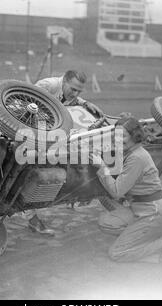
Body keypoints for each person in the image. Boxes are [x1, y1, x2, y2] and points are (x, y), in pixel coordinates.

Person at [89, 115, 162, 263]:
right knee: (108, 222)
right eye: (116, 136)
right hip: (148, 210)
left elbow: (116, 192)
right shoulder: (133, 153)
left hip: (153, 213)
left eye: (123, 136)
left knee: (117, 253)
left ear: (135, 136)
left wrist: (101, 167)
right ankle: (155, 236)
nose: (118, 140)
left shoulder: (136, 158)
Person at [25, 70, 103, 235]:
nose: (75, 93)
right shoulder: (48, 85)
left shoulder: (71, 93)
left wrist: (84, 102)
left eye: (79, 91)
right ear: (64, 81)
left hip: (49, 129)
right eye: (73, 89)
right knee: (31, 170)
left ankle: (72, 192)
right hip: (27, 126)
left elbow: (70, 99)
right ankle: (32, 217)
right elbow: (28, 102)